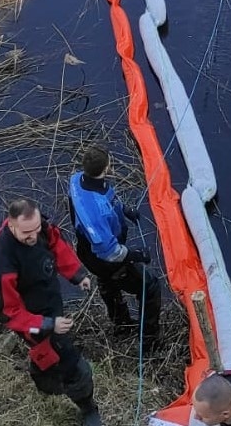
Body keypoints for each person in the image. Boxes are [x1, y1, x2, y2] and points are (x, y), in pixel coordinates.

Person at [0, 199, 102, 426]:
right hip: (31, 320)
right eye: (26, 233)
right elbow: (10, 315)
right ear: (11, 225)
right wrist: (48, 324)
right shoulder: (1, 264)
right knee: (72, 365)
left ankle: (43, 375)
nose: (33, 236)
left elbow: (56, 246)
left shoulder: (40, 228)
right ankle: (88, 408)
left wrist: (77, 275)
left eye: (36, 229)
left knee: (50, 355)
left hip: (49, 300)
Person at [68, 145, 162, 342]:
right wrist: (137, 255)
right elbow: (109, 252)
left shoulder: (76, 180)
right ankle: (149, 338)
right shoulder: (97, 213)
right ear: (106, 168)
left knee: (108, 282)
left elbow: (107, 195)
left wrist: (125, 210)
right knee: (150, 287)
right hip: (103, 257)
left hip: (85, 250)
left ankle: (121, 326)